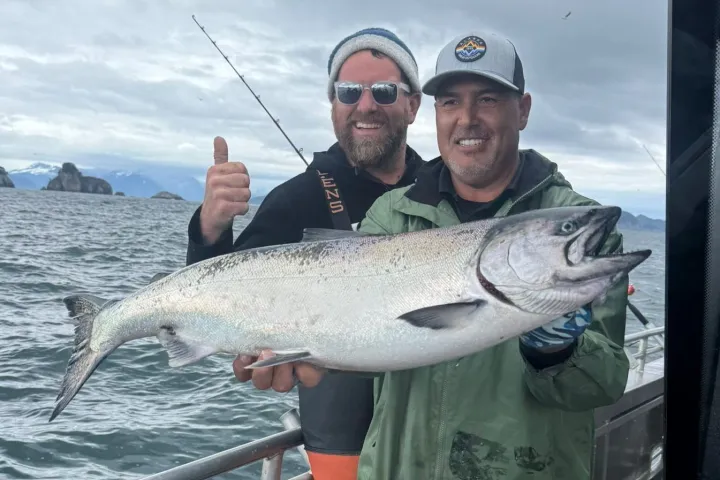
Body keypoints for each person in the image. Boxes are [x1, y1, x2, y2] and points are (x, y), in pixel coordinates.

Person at [254, 31, 632, 479]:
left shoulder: (578, 228)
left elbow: (604, 383)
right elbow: (373, 342)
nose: (467, 119)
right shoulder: (392, 215)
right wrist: (312, 356)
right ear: (434, 114)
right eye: (450, 102)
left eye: (488, 99)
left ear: (523, 110)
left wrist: (559, 352)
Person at [185, 27, 424, 480]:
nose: (366, 105)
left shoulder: (442, 190)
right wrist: (210, 228)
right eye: (349, 91)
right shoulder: (297, 199)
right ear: (334, 104)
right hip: (341, 438)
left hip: (436, 426)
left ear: (412, 105)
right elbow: (216, 296)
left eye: (385, 91)